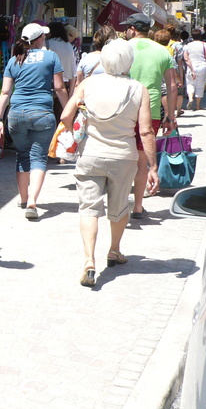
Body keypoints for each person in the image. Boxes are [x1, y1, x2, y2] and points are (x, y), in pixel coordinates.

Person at [60, 38, 159, 288]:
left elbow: (64, 115)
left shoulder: (88, 84)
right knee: (118, 209)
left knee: (89, 209)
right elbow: (146, 131)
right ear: (129, 61)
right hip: (123, 158)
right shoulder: (139, 89)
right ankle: (114, 250)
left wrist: (75, 134)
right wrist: (152, 166)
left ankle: (89, 262)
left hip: (90, 155)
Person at [0, 23, 69, 219]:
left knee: (22, 155)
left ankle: (23, 198)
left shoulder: (14, 60)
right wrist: (68, 111)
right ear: (39, 40)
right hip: (42, 114)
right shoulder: (51, 57)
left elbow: (5, 92)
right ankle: (33, 203)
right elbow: (59, 88)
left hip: (16, 115)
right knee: (38, 157)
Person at [120, 12, 176, 220]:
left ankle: (119, 202)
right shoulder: (163, 51)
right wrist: (170, 116)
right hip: (150, 110)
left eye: (127, 27)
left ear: (133, 29)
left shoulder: (122, 49)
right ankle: (137, 207)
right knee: (141, 161)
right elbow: (171, 86)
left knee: (122, 157)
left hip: (122, 109)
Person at [183, 28, 206, 111]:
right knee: (200, 86)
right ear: (200, 36)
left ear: (192, 36)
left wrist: (191, 69)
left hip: (191, 66)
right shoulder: (205, 45)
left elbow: (186, 58)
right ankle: (197, 105)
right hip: (202, 67)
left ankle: (190, 99)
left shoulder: (187, 46)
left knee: (190, 84)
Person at [45, 22, 76, 98]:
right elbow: (73, 71)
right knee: (62, 109)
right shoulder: (69, 46)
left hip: (49, 84)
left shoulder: (46, 44)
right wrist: (70, 93)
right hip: (65, 85)